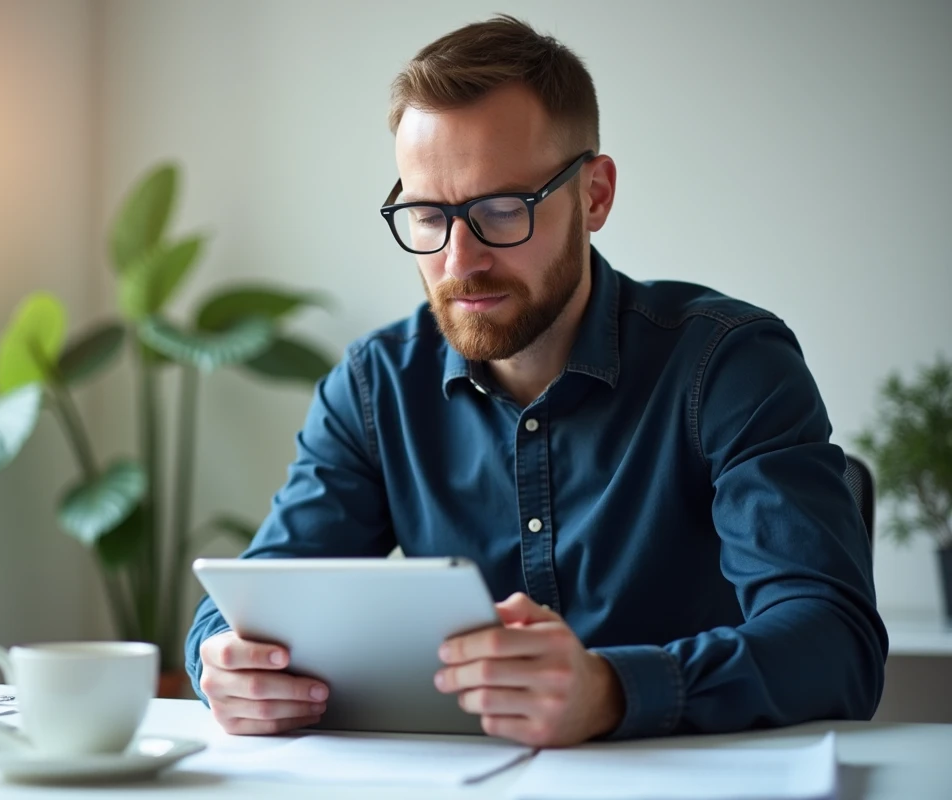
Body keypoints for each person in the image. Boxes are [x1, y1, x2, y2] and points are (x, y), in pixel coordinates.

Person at [184, 15, 887, 746]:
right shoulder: (375, 388)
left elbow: (836, 645)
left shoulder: (731, 366)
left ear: (595, 195)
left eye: (500, 210)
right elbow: (249, 603)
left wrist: (614, 691)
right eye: (429, 215)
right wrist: (223, 667)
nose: (460, 261)